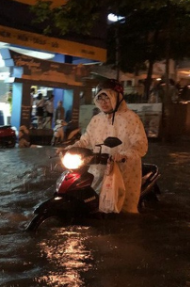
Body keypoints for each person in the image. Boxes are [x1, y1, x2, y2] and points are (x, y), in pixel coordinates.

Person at [63, 79, 148, 214]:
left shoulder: (131, 118)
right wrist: (69, 149)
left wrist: (124, 155)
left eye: (107, 98)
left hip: (124, 169)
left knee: (124, 210)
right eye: (100, 98)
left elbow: (140, 144)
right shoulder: (97, 119)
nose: (103, 102)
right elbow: (86, 140)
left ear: (117, 97)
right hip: (99, 168)